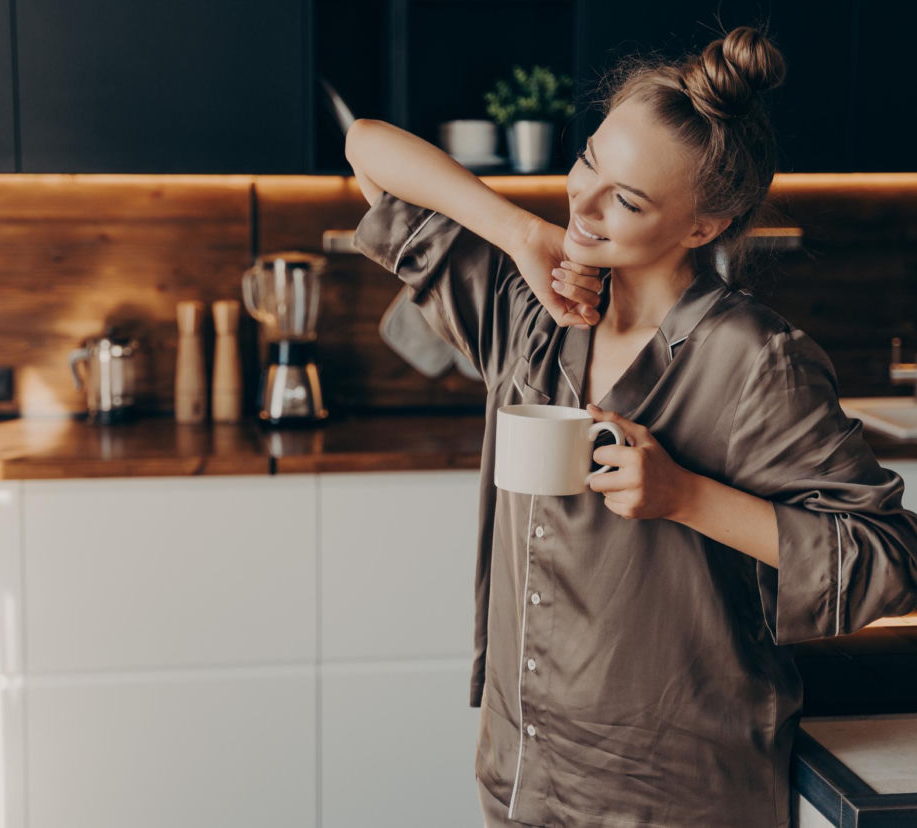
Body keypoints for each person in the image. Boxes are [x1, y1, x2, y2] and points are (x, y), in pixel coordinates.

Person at [346, 25, 917, 828]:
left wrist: (686, 497)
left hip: (676, 793)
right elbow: (368, 149)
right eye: (588, 162)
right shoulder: (528, 312)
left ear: (703, 226)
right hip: (523, 773)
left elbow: (887, 559)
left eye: (628, 198)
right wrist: (518, 232)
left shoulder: (753, 360)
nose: (583, 202)